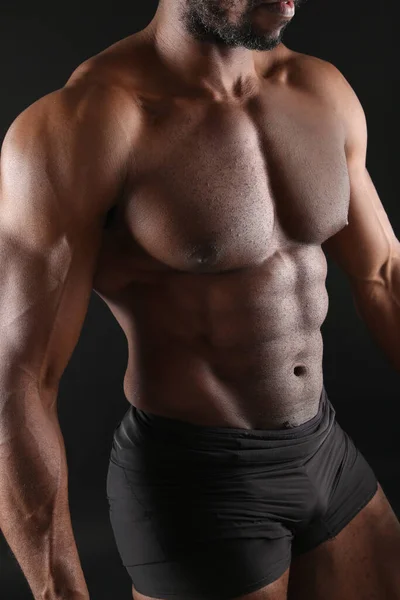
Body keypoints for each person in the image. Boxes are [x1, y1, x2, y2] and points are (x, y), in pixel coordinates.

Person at [0, 0, 399, 598]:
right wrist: (58, 591)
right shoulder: (87, 124)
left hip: (325, 450)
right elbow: (18, 380)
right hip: (197, 485)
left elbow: (384, 277)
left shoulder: (319, 89)